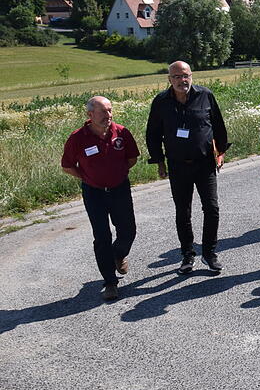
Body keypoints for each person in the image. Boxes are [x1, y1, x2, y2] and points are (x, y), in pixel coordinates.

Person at [146, 60, 230, 274]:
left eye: (185, 76)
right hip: (177, 166)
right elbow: (153, 134)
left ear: (191, 76)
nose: (182, 80)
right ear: (169, 79)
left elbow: (218, 126)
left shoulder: (205, 95)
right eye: (177, 76)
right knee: (183, 212)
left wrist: (220, 153)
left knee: (212, 208)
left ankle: (209, 253)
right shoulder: (161, 102)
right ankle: (187, 255)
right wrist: (159, 161)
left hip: (205, 163)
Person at [61, 96, 140, 301]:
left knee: (128, 230)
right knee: (102, 236)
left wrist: (118, 173)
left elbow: (132, 158)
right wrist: (87, 177)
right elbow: (67, 166)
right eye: (103, 112)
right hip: (94, 193)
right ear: (90, 114)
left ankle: (118, 254)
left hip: (120, 189)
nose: (108, 115)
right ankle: (110, 282)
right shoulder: (77, 138)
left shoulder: (121, 132)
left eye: (110, 110)